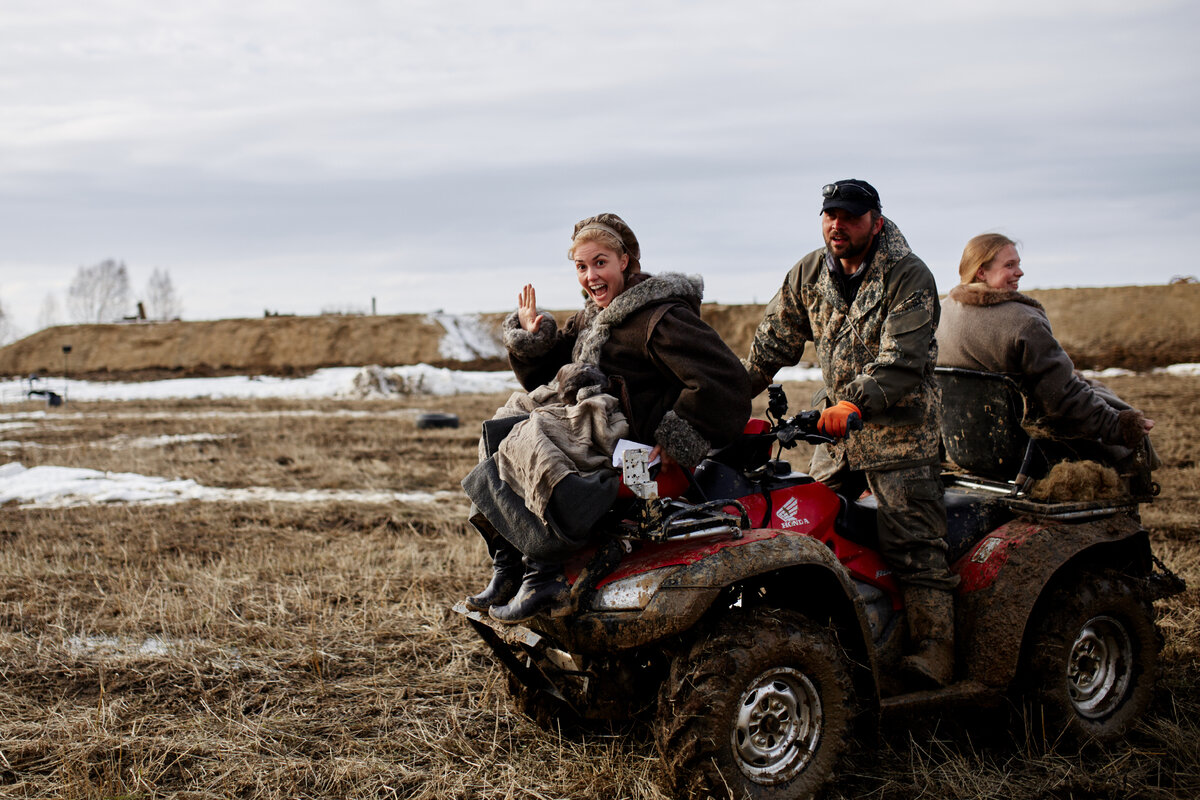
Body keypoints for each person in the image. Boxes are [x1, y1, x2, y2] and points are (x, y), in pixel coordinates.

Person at [463, 212, 751, 623]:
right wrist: (534, 338)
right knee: (501, 428)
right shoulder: (590, 319)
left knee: (535, 435)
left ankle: (546, 572)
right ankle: (510, 565)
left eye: (600, 262)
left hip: (635, 449)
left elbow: (724, 381)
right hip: (598, 432)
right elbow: (545, 382)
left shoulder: (658, 316)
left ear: (626, 261)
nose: (591, 276)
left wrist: (676, 438)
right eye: (581, 266)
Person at [743, 179, 956, 688]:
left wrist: (852, 402)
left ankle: (935, 650)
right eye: (830, 215)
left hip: (900, 432)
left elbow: (901, 362)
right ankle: (833, 639)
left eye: (851, 216)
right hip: (835, 435)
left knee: (914, 541)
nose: (838, 225)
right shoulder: (810, 273)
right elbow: (771, 344)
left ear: (875, 222)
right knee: (811, 529)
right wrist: (729, 394)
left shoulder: (908, 275)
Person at [937, 233, 1157, 490]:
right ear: (981, 272)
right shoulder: (1024, 322)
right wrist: (1119, 426)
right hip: (1029, 452)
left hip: (967, 449)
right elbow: (1063, 400)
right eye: (1009, 265)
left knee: (1092, 388)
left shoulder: (942, 314)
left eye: (1018, 264)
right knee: (1111, 413)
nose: (1020, 272)